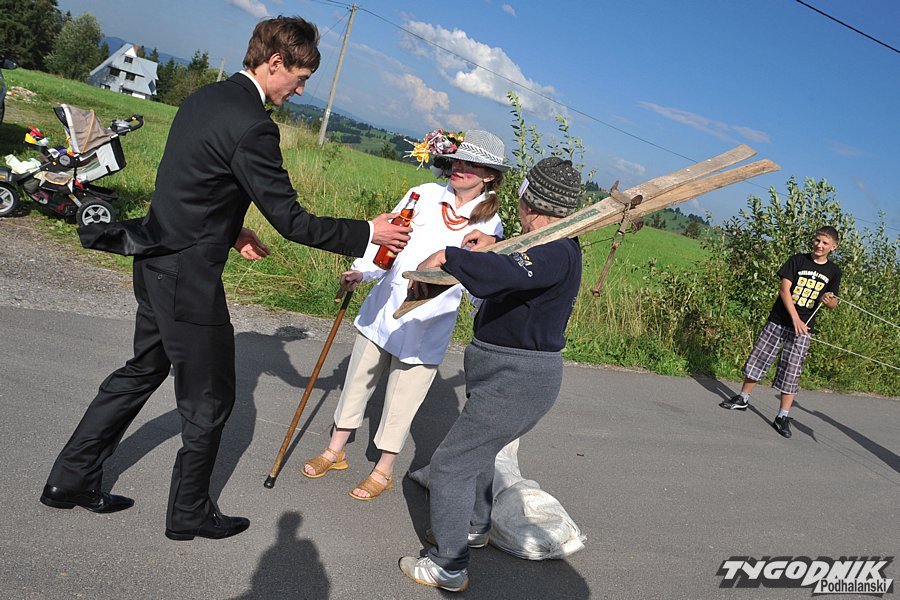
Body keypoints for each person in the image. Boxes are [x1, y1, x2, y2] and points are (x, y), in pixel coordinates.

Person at [39, 16, 411, 541]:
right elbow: (293, 221)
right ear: (276, 62)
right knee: (211, 399)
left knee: (142, 371)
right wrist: (369, 231)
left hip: (155, 259)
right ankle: (188, 512)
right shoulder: (254, 125)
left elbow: (191, 183)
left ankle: (70, 478)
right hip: (188, 278)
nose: (300, 90)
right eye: (301, 78)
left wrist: (231, 230)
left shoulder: (206, 98)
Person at [398, 157, 584, 592]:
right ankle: (472, 526)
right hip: (509, 375)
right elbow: (519, 263)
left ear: (529, 202)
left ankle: (447, 565)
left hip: (515, 380)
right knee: (478, 454)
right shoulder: (551, 242)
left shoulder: (555, 251)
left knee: (450, 466)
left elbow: (506, 273)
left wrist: (452, 255)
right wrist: (492, 244)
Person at [302, 130, 507, 501]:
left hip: (429, 319)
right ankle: (335, 450)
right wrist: (362, 272)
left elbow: (479, 280)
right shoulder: (422, 194)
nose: (459, 167)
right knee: (357, 380)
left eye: (471, 164)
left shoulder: (491, 226)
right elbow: (388, 240)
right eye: (458, 160)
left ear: (490, 175)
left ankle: (383, 470)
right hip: (384, 307)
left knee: (403, 398)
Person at [720, 226, 841, 438]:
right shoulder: (798, 260)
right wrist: (795, 318)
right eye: (817, 240)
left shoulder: (834, 271)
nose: (819, 245)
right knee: (759, 358)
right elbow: (784, 290)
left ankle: (782, 416)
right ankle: (743, 398)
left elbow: (833, 304)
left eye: (824, 243)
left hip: (804, 329)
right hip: (780, 320)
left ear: (833, 247)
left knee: (792, 370)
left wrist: (827, 300)